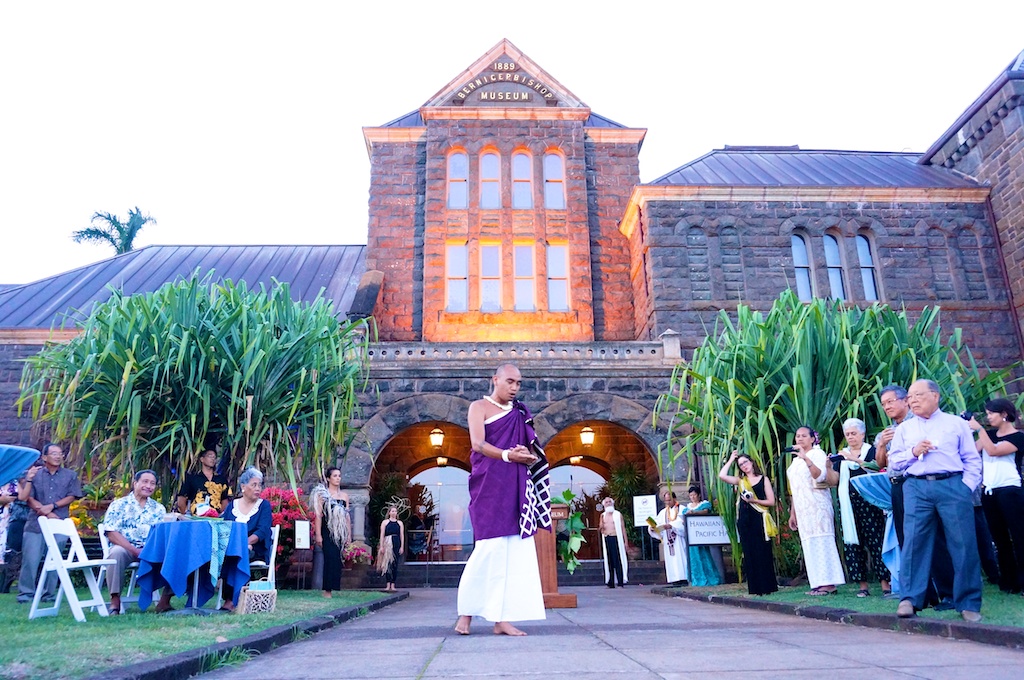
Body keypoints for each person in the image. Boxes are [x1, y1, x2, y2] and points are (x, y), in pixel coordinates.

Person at [454, 363, 550, 637]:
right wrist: (509, 455)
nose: (515, 388)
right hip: (489, 485)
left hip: (517, 485)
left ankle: (502, 619)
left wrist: (526, 454)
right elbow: (478, 444)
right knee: (489, 549)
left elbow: (530, 446)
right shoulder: (478, 407)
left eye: (518, 383)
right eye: (510, 381)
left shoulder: (519, 412)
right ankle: (466, 614)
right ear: (495, 379)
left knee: (514, 553)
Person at [889, 379, 983, 622]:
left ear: (935, 396)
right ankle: (910, 599)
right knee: (914, 543)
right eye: (910, 397)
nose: (913, 400)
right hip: (916, 487)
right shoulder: (905, 429)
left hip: (952, 485)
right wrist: (913, 452)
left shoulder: (956, 424)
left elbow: (972, 459)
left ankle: (968, 602)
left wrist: (965, 488)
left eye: (919, 395)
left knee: (962, 543)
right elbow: (894, 463)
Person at [877, 384, 954, 608]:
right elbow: (881, 463)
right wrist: (881, 444)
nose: (887, 407)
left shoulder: (919, 423)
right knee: (907, 541)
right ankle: (922, 595)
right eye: (883, 404)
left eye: (891, 401)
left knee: (934, 537)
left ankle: (948, 592)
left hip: (919, 484)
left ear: (905, 401)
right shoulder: (891, 430)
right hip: (897, 485)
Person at [969, 398, 1024, 594]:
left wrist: (979, 430)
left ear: (1004, 414)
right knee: (1000, 538)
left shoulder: (1018, 437)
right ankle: (1008, 581)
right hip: (989, 491)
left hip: (1010, 490)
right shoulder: (989, 434)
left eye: (992, 413)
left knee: (1019, 536)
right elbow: (973, 450)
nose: (989, 417)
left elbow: (993, 451)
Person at [16, 443, 83, 604]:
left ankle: (48, 594)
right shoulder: (34, 475)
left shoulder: (70, 475)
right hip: (36, 524)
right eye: (53, 453)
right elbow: (28, 498)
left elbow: (72, 496)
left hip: (59, 523)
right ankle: (26, 594)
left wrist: (53, 507)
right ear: (44, 457)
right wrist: (45, 511)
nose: (58, 456)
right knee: (30, 560)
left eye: (60, 453)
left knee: (55, 560)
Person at [102, 470, 174, 614]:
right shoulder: (119, 505)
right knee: (116, 552)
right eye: (145, 482)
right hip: (126, 548)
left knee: (176, 553)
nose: (149, 486)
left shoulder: (158, 509)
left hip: (151, 550)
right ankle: (115, 601)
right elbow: (111, 532)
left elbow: (161, 534)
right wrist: (134, 550)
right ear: (135, 483)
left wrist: (150, 549)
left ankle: (164, 601)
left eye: (152, 483)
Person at [835, 418, 891, 597]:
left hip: (870, 503)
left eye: (854, 433)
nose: (851, 437)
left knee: (877, 541)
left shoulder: (871, 451)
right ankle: (862, 586)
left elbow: (877, 467)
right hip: (849, 505)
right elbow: (834, 480)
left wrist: (853, 459)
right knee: (853, 543)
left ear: (862, 434)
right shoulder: (841, 455)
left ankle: (885, 583)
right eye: (848, 434)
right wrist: (829, 466)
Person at [786, 426, 845, 595]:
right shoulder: (795, 459)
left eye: (804, 436)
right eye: (797, 436)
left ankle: (829, 583)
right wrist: (793, 513)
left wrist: (807, 460)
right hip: (802, 508)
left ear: (813, 438)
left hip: (818, 505)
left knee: (822, 540)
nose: (800, 439)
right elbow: (795, 488)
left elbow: (819, 476)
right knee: (809, 542)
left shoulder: (817, 454)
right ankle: (818, 583)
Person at [719, 451, 777, 595]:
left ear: (751, 462)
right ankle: (755, 587)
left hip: (760, 517)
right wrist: (732, 459)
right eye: (741, 465)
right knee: (750, 552)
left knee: (762, 551)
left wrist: (754, 501)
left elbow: (771, 501)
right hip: (745, 520)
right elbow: (722, 475)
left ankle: (767, 586)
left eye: (745, 462)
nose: (744, 466)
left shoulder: (764, 479)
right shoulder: (741, 480)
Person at [219, 466, 273, 612]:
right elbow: (225, 527)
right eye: (253, 485)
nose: (258, 488)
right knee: (224, 554)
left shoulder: (264, 506)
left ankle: (231, 599)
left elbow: (263, 530)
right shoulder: (232, 506)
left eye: (259, 485)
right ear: (243, 486)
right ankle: (230, 597)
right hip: (233, 547)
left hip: (256, 547)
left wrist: (244, 543)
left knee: (238, 553)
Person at [312, 466, 351, 598]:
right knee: (329, 558)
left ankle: (335, 587)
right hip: (327, 531)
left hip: (340, 532)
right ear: (328, 478)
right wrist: (318, 535)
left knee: (337, 559)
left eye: (339, 476)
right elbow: (318, 515)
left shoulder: (344, 496)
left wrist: (348, 535)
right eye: (335, 476)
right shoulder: (322, 495)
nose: (338, 478)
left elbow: (347, 516)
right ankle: (327, 590)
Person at [681, 485, 722, 586]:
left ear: (698, 495)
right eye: (691, 495)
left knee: (705, 556)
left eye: (694, 495)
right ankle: (696, 579)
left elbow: (705, 512)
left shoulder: (704, 505)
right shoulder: (687, 508)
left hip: (701, 534)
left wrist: (694, 512)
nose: (693, 497)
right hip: (691, 536)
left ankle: (711, 578)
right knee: (694, 558)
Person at [176, 447, 231, 516]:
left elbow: (225, 500)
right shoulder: (192, 478)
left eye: (214, 457)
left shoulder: (221, 480)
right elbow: (181, 499)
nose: (212, 459)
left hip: (215, 518)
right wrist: (187, 515)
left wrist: (219, 514)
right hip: (196, 518)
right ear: (202, 459)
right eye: (210, 456)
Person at [648, 489, 687, 584]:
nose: (668, 502)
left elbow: (684, 523)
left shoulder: (682, 509)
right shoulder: (663, 512)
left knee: (680, 558)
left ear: (675, 499)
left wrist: (672, 526)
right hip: (668, 540)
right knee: (671, 560)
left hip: (678, 539)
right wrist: (652, 528)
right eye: (666, 501)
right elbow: (658, 523)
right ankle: (674, 580)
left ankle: (683, 578)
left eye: (669, 500)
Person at [0, 476, 30, 593]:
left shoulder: (13, 480)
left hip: (8, 519)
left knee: (6, 549)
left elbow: (23, 497)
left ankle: (3, 585)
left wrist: (29, 480)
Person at [599, 496, 628, 588]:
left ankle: (620, 581)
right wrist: (601, 527)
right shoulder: (602, 515)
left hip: (616, 538)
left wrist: (625, 541)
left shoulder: (617, 514)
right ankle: (610, 581)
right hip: (607, 538)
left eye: (609, 502)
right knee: (609, 561)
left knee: (617, 560)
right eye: (606, 502)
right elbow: (600, 528)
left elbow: (623, 528)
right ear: (604, 505)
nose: (608, 504)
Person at [376, 505, 405, 592]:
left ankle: (393, 584)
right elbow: (382, 535)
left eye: (395, 511)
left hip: (396, 542)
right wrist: (381, 546)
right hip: (387, 542)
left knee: (395, 564)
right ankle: (388, 584)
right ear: (389, 513)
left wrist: (402, 546)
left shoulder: (400, 523)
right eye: (392, 511)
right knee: (387, 564)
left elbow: (402, 535)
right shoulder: (385, 522)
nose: (394, 513)